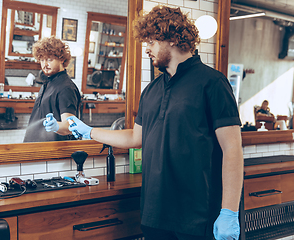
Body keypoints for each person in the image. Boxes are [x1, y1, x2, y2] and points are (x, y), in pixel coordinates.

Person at [46, 6, 244, 240]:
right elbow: (135, 138)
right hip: (155, 214)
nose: (147, 49)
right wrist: (90, 131)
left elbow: (232, 150)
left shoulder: (212, 83)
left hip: (198, 216)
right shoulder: (151, 91)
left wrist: (229, 211)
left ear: (172, 38)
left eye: (151, 41)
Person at [23, 36, 81, 142]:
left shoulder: (66, 88)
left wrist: (56, 126)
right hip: (37, 148)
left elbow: (70, 125)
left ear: (62, 59)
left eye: (49, 59)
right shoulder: (48, 83)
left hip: (53, 152)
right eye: (41, 60)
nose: (45, 64)